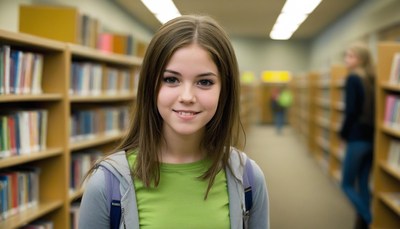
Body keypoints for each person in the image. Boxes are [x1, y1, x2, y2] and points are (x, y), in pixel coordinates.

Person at [78, 15, 269, 229]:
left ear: (224, 91)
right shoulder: (106, 184)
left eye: (205, 82)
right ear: (150, 85)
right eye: (171, 79)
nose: (187, 96)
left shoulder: (248, 179)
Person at [339, 42, 375, 229]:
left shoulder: (353, 78)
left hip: (357, 137)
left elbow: (351, 111)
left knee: (345, 184)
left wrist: (343, 134)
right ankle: (363, 224)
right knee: (363, 184)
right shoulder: (371, 78)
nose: (346, 59)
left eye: (350, 56)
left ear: (360, 59)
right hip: (371, 139)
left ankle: (370, 219)